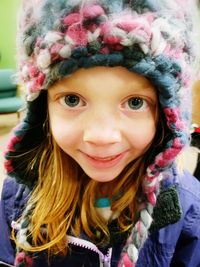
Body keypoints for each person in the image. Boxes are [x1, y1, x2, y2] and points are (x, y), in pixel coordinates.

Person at [0, 0, 200, 266]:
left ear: (166, 114)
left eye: (135, 102)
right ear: (42, 107)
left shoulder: (187, 207)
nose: (102, 136)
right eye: (72, 99)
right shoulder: (17, 197)